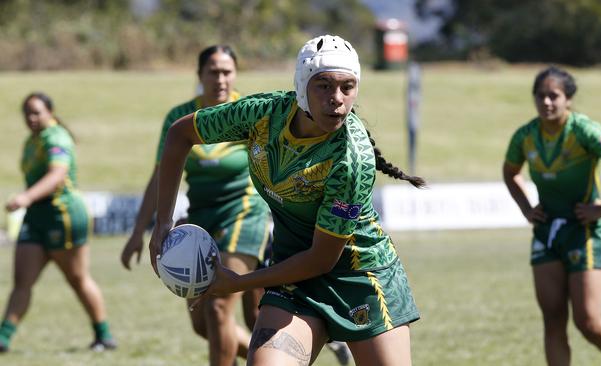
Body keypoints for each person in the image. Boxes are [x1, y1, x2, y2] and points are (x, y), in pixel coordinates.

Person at [149, 34, 424, 366]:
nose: (336, 98)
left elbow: (322, 259)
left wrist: (239, 282)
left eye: (347, 87)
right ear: (301, 85)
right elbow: (180, 134)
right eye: (323, 85)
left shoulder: (352, 160)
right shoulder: (263, 114)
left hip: (361, 277)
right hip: (294, 278)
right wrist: (162, 224)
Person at [120, 45, 274, 365]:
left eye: (227, 71)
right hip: (199, 221)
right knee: (202, 322)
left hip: (244, 212)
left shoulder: (249, 111)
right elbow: (161, 174)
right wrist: (139, 231)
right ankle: (280, 357)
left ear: (235, 74)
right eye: (213, 72)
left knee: (218, 305)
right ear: (199, 75)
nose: (221, 79)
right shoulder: (180, 118)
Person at [503, 66, 601, 366]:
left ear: (568, 100)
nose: (547, 102)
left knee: (588, 321)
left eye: (554, 96)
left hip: (585, 231)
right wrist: (526, 208)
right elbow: (510, 172)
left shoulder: (584, 131)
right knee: (552, 321)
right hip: (547, 231)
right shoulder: (525, 136)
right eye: (541, 96)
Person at [0, 92, 116, 353]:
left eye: (36, 112)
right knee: (22, 280)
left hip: (62, 215)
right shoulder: (32, 141)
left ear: (50, 112)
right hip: (36, 217)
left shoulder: (56, 137)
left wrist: (25, 197)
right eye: (27, 113)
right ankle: (3, 338)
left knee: (76, 278)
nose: (31, 117)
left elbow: (57, 174)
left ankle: (104, 334)